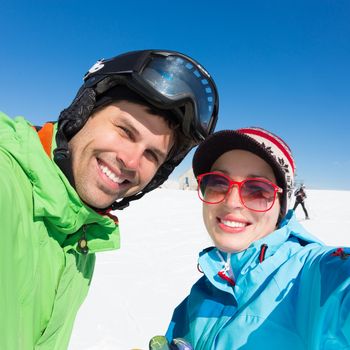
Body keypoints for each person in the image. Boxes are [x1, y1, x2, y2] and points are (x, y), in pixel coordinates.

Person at [0, 49, 219, 349]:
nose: (130, 160)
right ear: (83, 113)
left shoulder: (81, 237)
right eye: (125, 131)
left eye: (152, 155)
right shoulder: (9, 183)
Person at [164, 127, 350, 349]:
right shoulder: (205, 289)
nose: (232, 202)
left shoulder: (312, 274)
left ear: (281, 207)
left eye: (258, 190)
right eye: (218, 183)